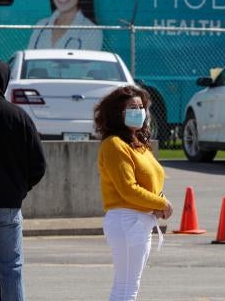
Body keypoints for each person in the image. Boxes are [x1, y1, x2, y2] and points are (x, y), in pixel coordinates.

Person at [94, 85, 173, 301]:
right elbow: (128, 189)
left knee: (129, 286)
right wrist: (161, 204)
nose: (139, 111)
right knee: (126, 288)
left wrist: (159, 200)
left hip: (138, 221)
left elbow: (148, 182)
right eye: (132, 107)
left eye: (141, 106)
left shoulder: (137, 143)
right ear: (117, 113)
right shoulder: (114, 145)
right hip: (127, 221)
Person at [0, 60, 46, 300]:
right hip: (8, 207)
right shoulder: (19, 117)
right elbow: (38, 165)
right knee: (11, 269)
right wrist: (20, 189)